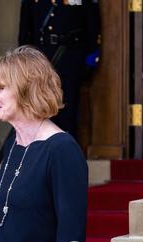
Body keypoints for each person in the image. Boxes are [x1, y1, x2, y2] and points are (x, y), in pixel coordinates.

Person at [0, 46, 88, 242]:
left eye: (0, 88)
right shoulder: (12, 145)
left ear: (26, 89)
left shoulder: (62, 149)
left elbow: (72, 237)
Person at [18, 0, 101, 139]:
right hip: (40, 60)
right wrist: (23, 61)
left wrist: (90, 61)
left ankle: (65, 154)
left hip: (70, 59)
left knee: (67, 111)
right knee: (41, 108)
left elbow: (92, 25)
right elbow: (25, 30)